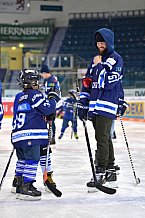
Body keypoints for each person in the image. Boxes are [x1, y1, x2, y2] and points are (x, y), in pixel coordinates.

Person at [78, 28, 128, 189]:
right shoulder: (95, 61)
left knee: (101, 138)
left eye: (103, 42)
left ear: (109, 42)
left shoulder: (115, 59)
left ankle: (100, 171)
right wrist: (83, 104)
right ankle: (111, 169)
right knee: (104, 138)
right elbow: (87, 83)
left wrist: (98, 66)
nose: (100, 45)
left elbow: (107, 83)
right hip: (94, 106)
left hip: (107, 105)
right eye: (98, 42)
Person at [11, 69, 60, 200]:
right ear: (30, 82)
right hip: (31, 135)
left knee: (23, 160)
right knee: (32, 160)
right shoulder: (35, 94)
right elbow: (48, 108)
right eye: (36, 81)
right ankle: (27, 186)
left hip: (18, 135)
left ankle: (18, 183)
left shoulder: (18, 97)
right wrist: (53, 98)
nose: (38, 83)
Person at [41, 65, 61, 145]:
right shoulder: (47, 80)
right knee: (49, 120)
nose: (42, 75)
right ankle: (50, 136)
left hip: (52, 103)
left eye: (42, 73)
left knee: (51, 120)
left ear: (45, 73)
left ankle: (52, 137)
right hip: (50, 102)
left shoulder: (52, 80)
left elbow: (52, 93)